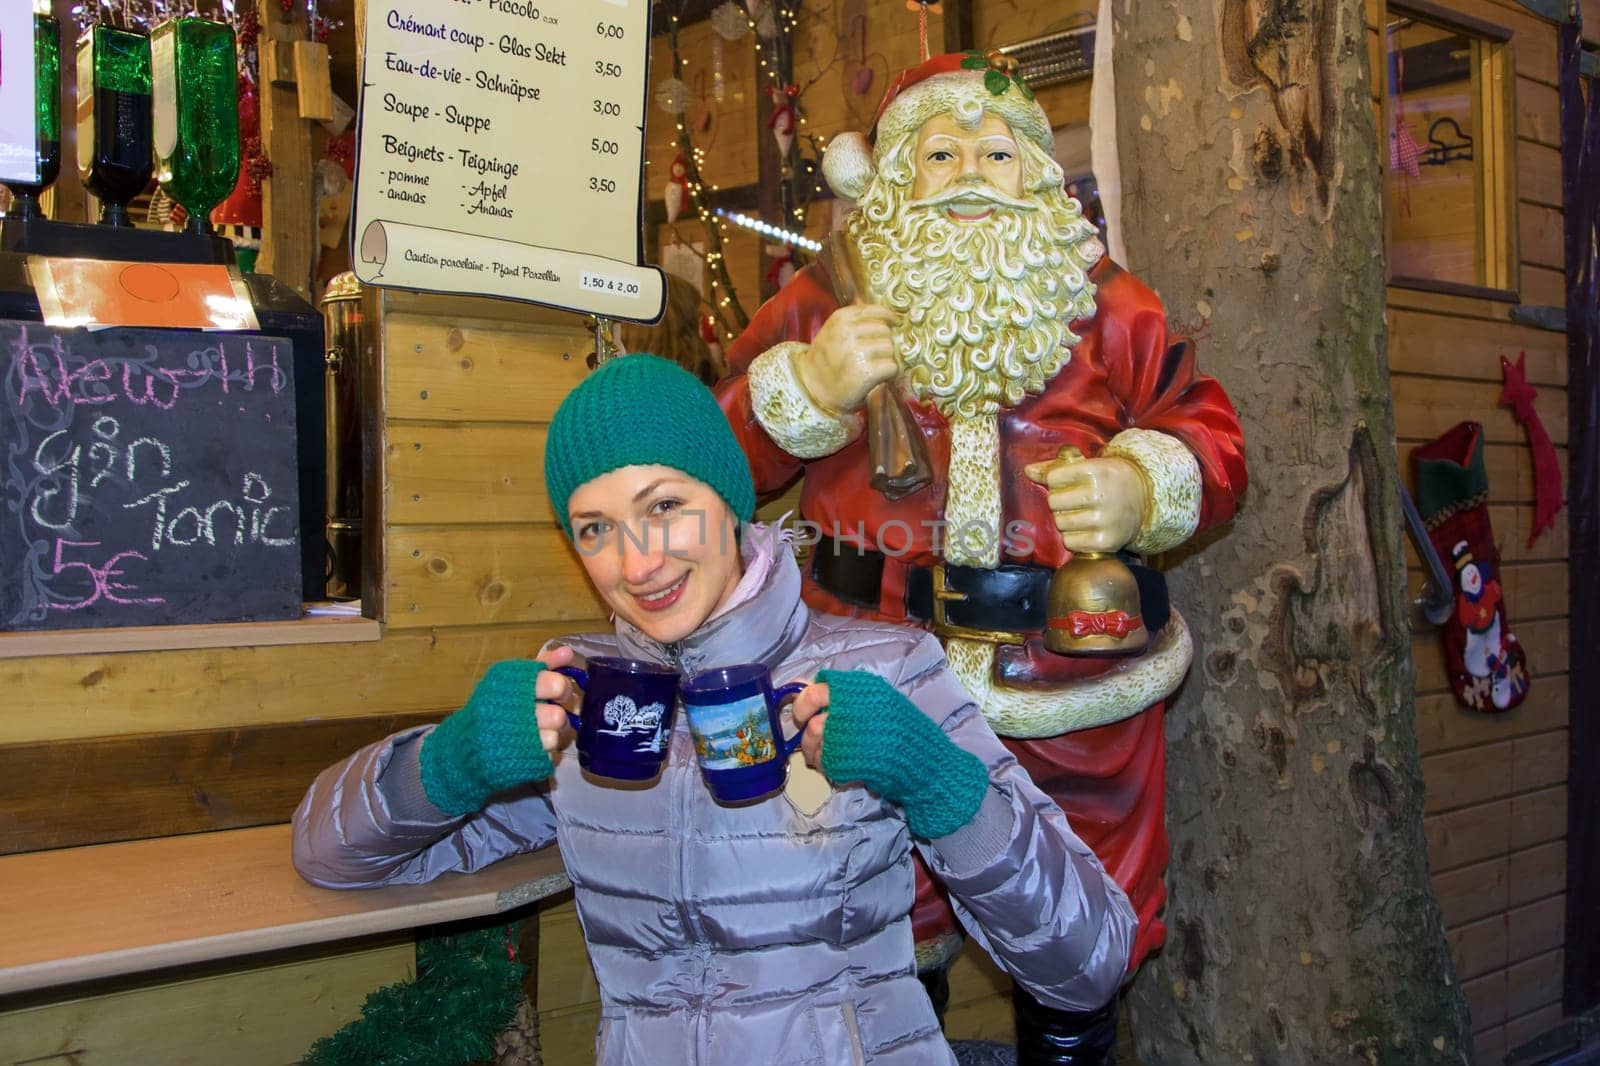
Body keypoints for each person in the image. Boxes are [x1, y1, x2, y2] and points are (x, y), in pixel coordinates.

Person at [292, 354, 1136, 1065]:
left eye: (664, 507)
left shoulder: (887, 670)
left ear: (730, 503)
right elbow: (329, 854)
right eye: (595, 528)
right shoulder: (584, 701)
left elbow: (1089, 962)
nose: (637, 562)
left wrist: (937, 780)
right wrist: (451, 760)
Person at [715, 50, 1248, 1061]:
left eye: (996, 152)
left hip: (1073, 683)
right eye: (941, 150)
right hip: (868, 673)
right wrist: (809, 388)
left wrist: (1141, 483)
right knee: (865, 907)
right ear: (895, 176)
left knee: (1079, 920)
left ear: (1038, 178)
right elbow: (713, 458)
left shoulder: (1109, 304)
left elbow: (1208, 430)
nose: (968, 171)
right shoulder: (827, 299)